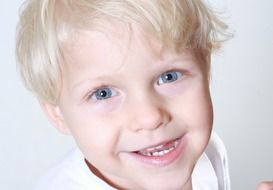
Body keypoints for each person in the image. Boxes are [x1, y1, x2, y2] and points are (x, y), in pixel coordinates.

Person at [15, 0, 272, 189]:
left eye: (168, 76)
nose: (149, 117)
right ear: (57, 114)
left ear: (206, 67)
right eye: (103, 93)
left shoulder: (205, 150)